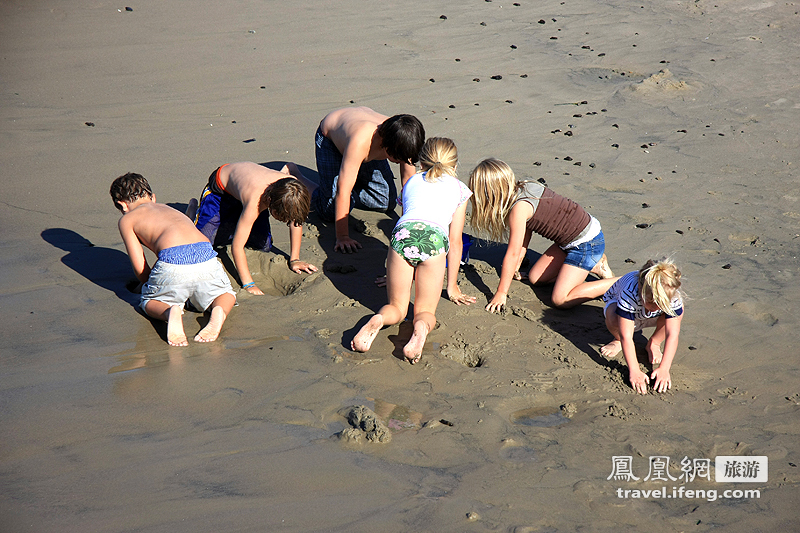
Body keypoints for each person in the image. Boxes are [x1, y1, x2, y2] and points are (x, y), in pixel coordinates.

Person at [351, 138, 476, 364]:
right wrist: (453, 286)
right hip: (434, 240)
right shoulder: (460, 190)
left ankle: (379, 319)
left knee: (397, 307)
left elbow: (409, 216)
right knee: (425, 311)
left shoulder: (411, 181)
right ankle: (420, 329)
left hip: (402, 236)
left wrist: (391, 273)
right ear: (455, 166)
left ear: (422, 161)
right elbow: (455, 241)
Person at [468, 158, 617, 312]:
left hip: (586, 244)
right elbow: (525, 232)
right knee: (535, 278)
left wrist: (501, 292)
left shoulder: (518, 210)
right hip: (570, 240)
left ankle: (618, 282)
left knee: (561, 299)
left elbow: (512, 253)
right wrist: (517, 265)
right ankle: (596, 265)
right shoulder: (525, 186)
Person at [110, 173, 236, 346]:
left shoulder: (127, 219)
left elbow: (140, 269)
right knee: (225, 293)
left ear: (122, 205)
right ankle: (219, 310)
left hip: (173, 263)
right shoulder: (170, 209)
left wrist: (149, 285)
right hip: (206, 256)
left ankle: (170, 312)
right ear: (153, 197)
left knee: (149, 302)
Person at [190, 162, 317, 295]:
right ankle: (192, 213)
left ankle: (237, 220)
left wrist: (294, 260)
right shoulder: (255, 200)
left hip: (249, 191)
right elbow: (237, 247)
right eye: (281, 216)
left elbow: (296, 220)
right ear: (269, 202)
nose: (284, 220)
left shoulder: (294, 189)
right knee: (202, 246)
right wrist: (249, 284)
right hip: (221, 190)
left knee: (263, 246)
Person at [313, 107, 425, 253]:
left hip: (368, 151)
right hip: (331, 141)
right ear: (386, 147)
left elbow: (408, 183)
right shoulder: (361, 141)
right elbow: (344, 189)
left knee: (385, 202)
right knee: (330, 211)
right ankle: (309, 185)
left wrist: (406, 225)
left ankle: (352, 176)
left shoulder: (404, 138)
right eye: (397, 160)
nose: (401, 162)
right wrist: (343, 237)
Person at [601, 258, 684, 394]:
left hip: (648, 317)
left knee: (677, 314)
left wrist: (664, 368)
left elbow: (672, 334)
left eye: (660, 304)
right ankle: (617, 341)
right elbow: (626, 336)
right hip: (624, 314)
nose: (656, 307)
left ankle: (654, 343)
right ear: (640, 289)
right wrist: (634, 371)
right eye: (652, 302)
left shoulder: (672, 295)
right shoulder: (630, 293)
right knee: (612, 315)